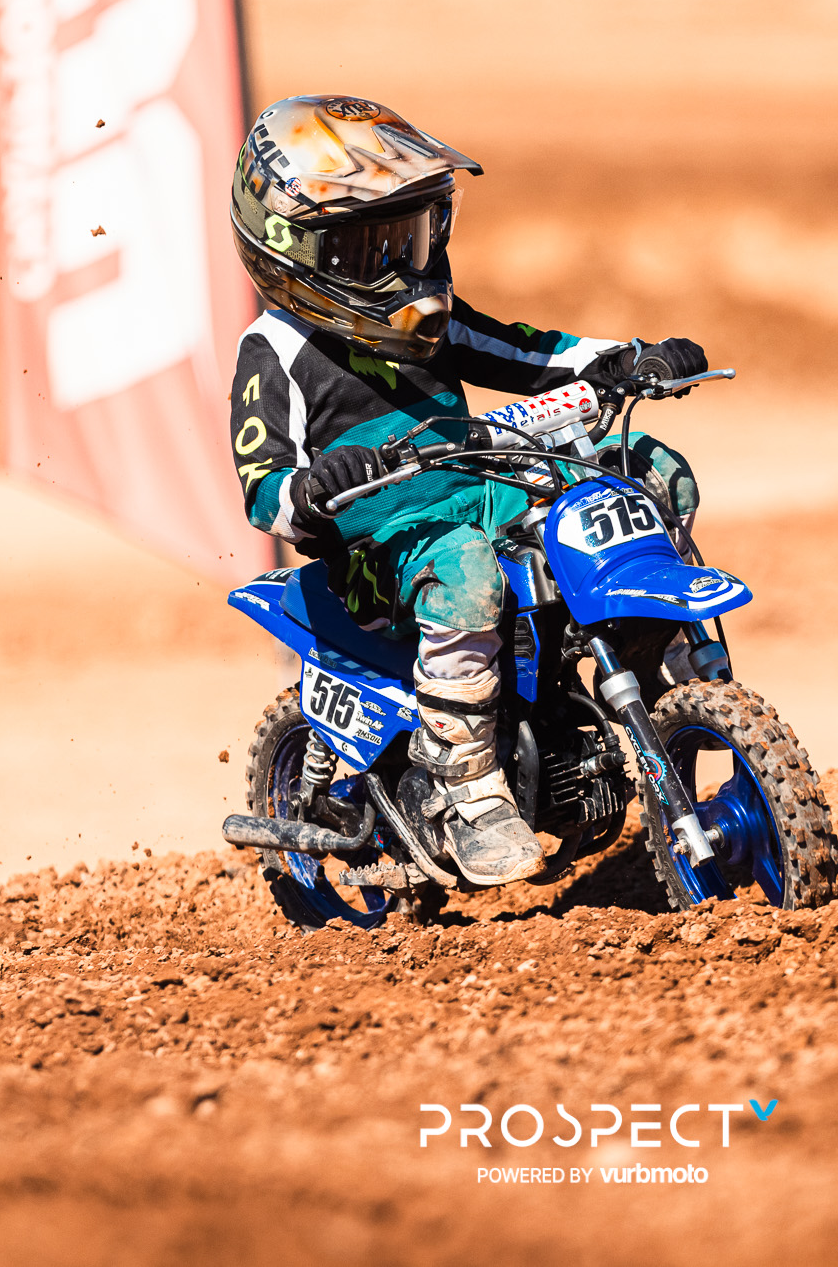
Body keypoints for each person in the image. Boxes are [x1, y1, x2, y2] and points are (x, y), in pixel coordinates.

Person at [226, 94, 705, 886]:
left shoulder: (431, 325)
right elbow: (262, 486)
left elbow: (532, 353)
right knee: (468, 569)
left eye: (411, 235)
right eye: (371, 246)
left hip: (481, 486)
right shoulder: (274, 349)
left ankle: (664, 661)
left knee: (643, 467)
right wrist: (312, 488)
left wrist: (629, 359)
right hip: (379, 542)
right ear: (298, 250)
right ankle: (469, 787)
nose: (403, 264)